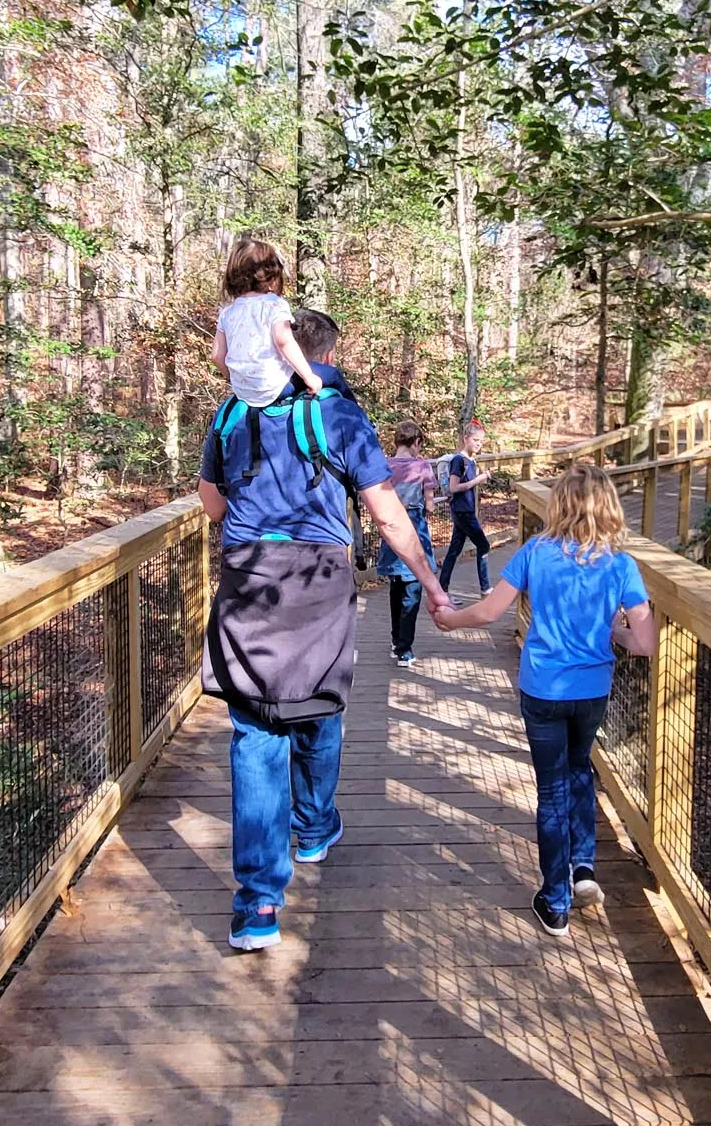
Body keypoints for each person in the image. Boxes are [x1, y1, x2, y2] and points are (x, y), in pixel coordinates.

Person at [200, 308, 450, 951]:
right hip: (317, 580)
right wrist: (429, 580)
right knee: (320, 707)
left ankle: (258, 906)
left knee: (254, 732)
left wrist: (252, 525)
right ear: (322, 354)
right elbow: (389, 516)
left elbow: (210, 498)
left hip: (248, 575)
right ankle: (312, 829)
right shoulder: (338, 414)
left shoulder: (231, 414)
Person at [431, 463, 656, 937]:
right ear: (609, 507)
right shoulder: (620, 564)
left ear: (560, 505)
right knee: (580, 769)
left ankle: (555, 901)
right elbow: (644, 643)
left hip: (542, 688)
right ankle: (584, 867)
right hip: (591, 690)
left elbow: (491, 611)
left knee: (553, 786)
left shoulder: (536, 552)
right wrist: (610, 629)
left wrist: (450, 620)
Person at [210, 237, 324, 407]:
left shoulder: (227, 312)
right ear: (271, 275)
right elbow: (283, 341)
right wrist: (308, 376)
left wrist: (238, 381)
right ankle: (362, 425)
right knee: (332, 375)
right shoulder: (274, 305)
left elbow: (217, 356)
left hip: (242, 391)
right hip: (275, 387)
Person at [378, 420, 438, 669]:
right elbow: (431, 505)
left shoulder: (384, 466)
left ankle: (396, 641)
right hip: (415, 529)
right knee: (412, 588)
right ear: (417, 442)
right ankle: (405, 649)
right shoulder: (423, 466)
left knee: (396, 586)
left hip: (391, 528)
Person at [438, 420, 493, 598]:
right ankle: (485, 588)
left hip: (465, 510)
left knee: (454, 550)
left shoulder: (471, 461)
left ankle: (442, 589)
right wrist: (479, 479)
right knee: (483, 545)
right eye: (475, 440)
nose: (478, 444)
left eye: (481, 441)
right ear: (465, 438)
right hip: (462, 511)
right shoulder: (458, 460)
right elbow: (454, 487)